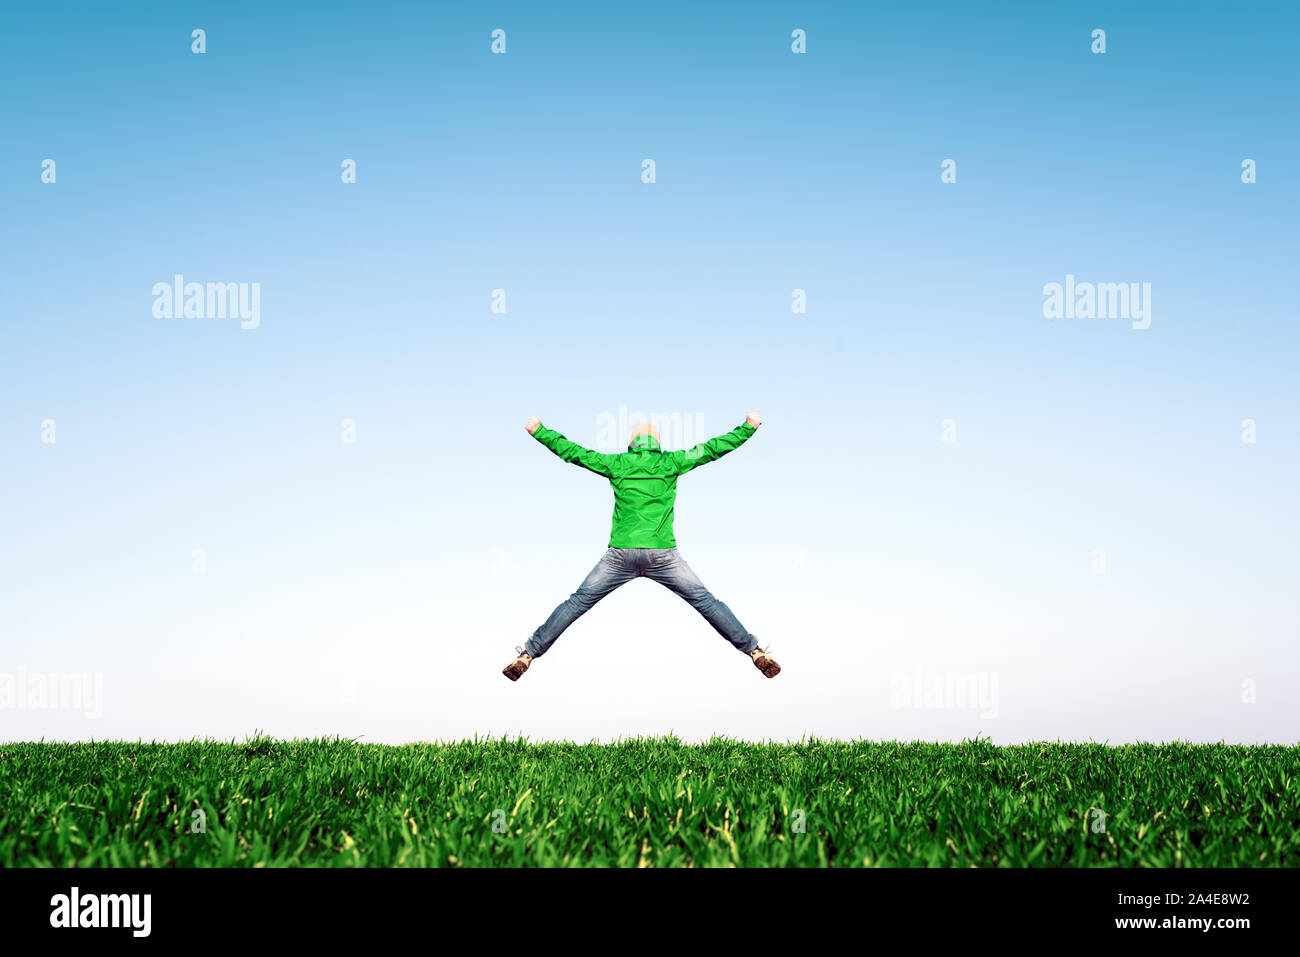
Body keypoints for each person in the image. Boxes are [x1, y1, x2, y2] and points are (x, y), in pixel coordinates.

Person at [503, 411, 780, 681]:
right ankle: (753, 651)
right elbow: (711, 449)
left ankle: (528, 654)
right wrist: (748, 428)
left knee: (577, 603)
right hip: (663, 555)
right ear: (657, 444)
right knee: (706, 602)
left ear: (631, 443)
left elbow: (575, 453)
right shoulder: (672, 462)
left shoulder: (618, 463)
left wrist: (539, 431)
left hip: (620, 555)